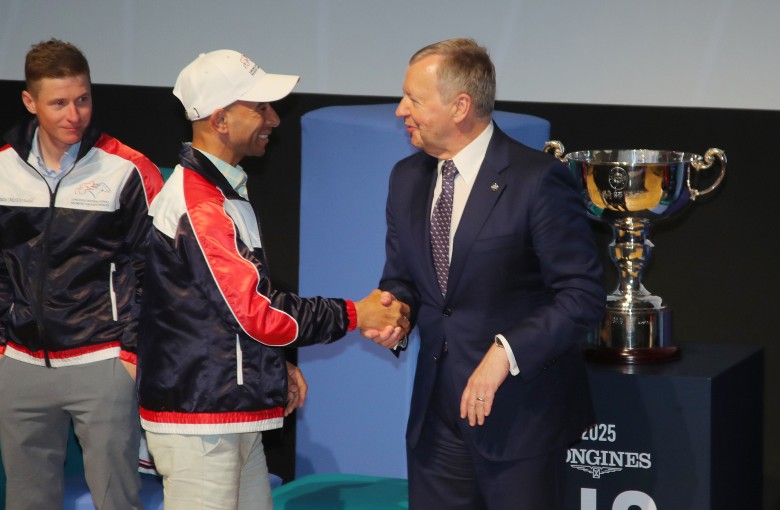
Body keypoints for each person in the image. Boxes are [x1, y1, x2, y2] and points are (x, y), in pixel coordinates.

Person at [136, 49, 409, 510]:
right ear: (220, 119)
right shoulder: (200, 205)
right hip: (203, 423)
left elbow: (218, 316)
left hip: (224, 415)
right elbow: (258, 313)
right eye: (260, 107)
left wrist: (272, 366)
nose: (275, 119)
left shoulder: (223, 192)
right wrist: (355, 314)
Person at [365, 38, 605, 509]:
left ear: (460, 106)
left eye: (414, 99)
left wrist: (505, 351)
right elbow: (403, 279)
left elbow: (582, 296)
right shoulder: (405, 178)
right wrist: (396, 313)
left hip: (521, 421)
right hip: (436, 422)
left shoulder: (537, 180)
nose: (400, 110)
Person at [0, 39, 164, 510]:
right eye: (59, 102)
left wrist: (130, 351)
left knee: (117, 500)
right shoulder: (4, 168)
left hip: (103, 362)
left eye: (83, 98)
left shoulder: (127, 170)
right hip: (21, 364)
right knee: (27, 501)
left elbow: (153, 272)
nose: (74, 113)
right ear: (30, 102)